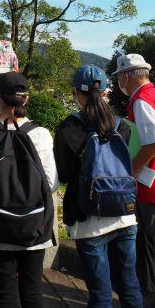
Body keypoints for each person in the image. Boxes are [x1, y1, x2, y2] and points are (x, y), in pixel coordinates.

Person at [0, 72, 58, 308]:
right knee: (33, 292)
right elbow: (51, 183)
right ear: (26, 98)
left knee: (5, 294)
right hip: (35, 226)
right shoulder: (41, 134)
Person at [54, 65, 142, 308]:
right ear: (105, 91)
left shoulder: (68, 128)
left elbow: (64, 176)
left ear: (75, 92)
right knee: (130, 285)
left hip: (89, 221)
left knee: (101, 294)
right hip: (125, 215)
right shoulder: (121, 125)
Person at [113, 53, 155, 297]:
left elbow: (151, 144)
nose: (119, 82)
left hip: (149, 186)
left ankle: (147, 294)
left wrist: (132, 170)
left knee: (147, 243)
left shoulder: (141, 101)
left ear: (126, 76)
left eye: (119, 76)